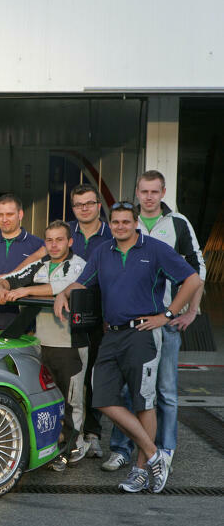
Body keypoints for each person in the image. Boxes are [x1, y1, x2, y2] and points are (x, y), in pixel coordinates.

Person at [54, 203, 201, 493]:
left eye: (126, 221)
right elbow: (82, 283)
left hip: (143, 335)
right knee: (102, 397)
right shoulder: (102, 252)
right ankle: (155, 453)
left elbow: (192, 279)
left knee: (143, 401)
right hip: (112, 334)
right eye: (116, 222)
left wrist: (168, 314)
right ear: (110, 225)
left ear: (136, 223)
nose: (120, 226)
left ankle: (140, 470)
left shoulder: (155, 249)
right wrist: (63, 292)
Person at [104, 170, 206, 472]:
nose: (148, 197)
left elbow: (196, 270)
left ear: (163, 192)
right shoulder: (126, 224)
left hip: (166, 322)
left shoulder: (178, 223)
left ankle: (164, 450)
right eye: (144, 191)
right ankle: (121, 449)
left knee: (165, 391)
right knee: (124, 391)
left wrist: (190, 311)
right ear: (137, 192)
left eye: (154, 192)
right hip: (131, 323)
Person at [16, 184, 114, 461]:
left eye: (89, 203)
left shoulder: (111, 233)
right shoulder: (63, 235)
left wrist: (24, 290)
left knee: (89, 385)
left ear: (98, 205)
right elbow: (35, 262)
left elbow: (70, 282)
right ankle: (62, 438)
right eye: (78, 204)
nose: (84, 208)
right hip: (57, 332)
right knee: (57, 390)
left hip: (97, 322)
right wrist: (6, 280)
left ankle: (87, 437)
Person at [0, 220, 88, 470]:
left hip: (71, 345)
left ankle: (74, 445)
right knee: (47, 399)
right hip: (41, 344)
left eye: (59, 240)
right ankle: (52, 446)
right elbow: (9, 279)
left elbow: (64, 287)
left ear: (70, 242)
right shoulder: (40, 264)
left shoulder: (79, 265)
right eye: (49, 240)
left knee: (73, 399)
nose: (54, 245)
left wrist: (26, 291)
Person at [0, 194, 44, 329]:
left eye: (10, 214)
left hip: (26, 326)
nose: (4, 219)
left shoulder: (38, 246)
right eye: (0, 214)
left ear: (20, 214)